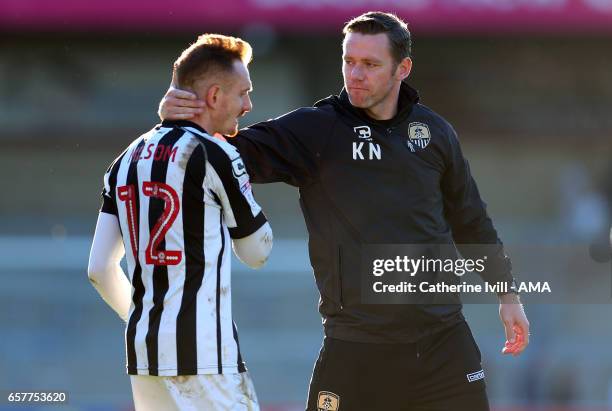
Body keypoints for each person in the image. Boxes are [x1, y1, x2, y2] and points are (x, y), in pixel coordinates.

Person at [159, 12, 530, 411]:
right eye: (349, 61)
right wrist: (177, 122)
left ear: (402, 68)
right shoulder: (317, 129)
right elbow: (219, 153)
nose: (355, 74)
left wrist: (507, 292)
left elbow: (470, 217)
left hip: (443, 343)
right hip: (356, 349)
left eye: (370, 65)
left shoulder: (435, 132)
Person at [87, 34, 272, 411]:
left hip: (144, 354)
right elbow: (257, 253)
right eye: (243, 93)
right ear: (215, 96)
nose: (248, 105)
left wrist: (144, 317)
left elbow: (99, 269)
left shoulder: (124, 159)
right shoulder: (215, 153)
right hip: (205, 356)